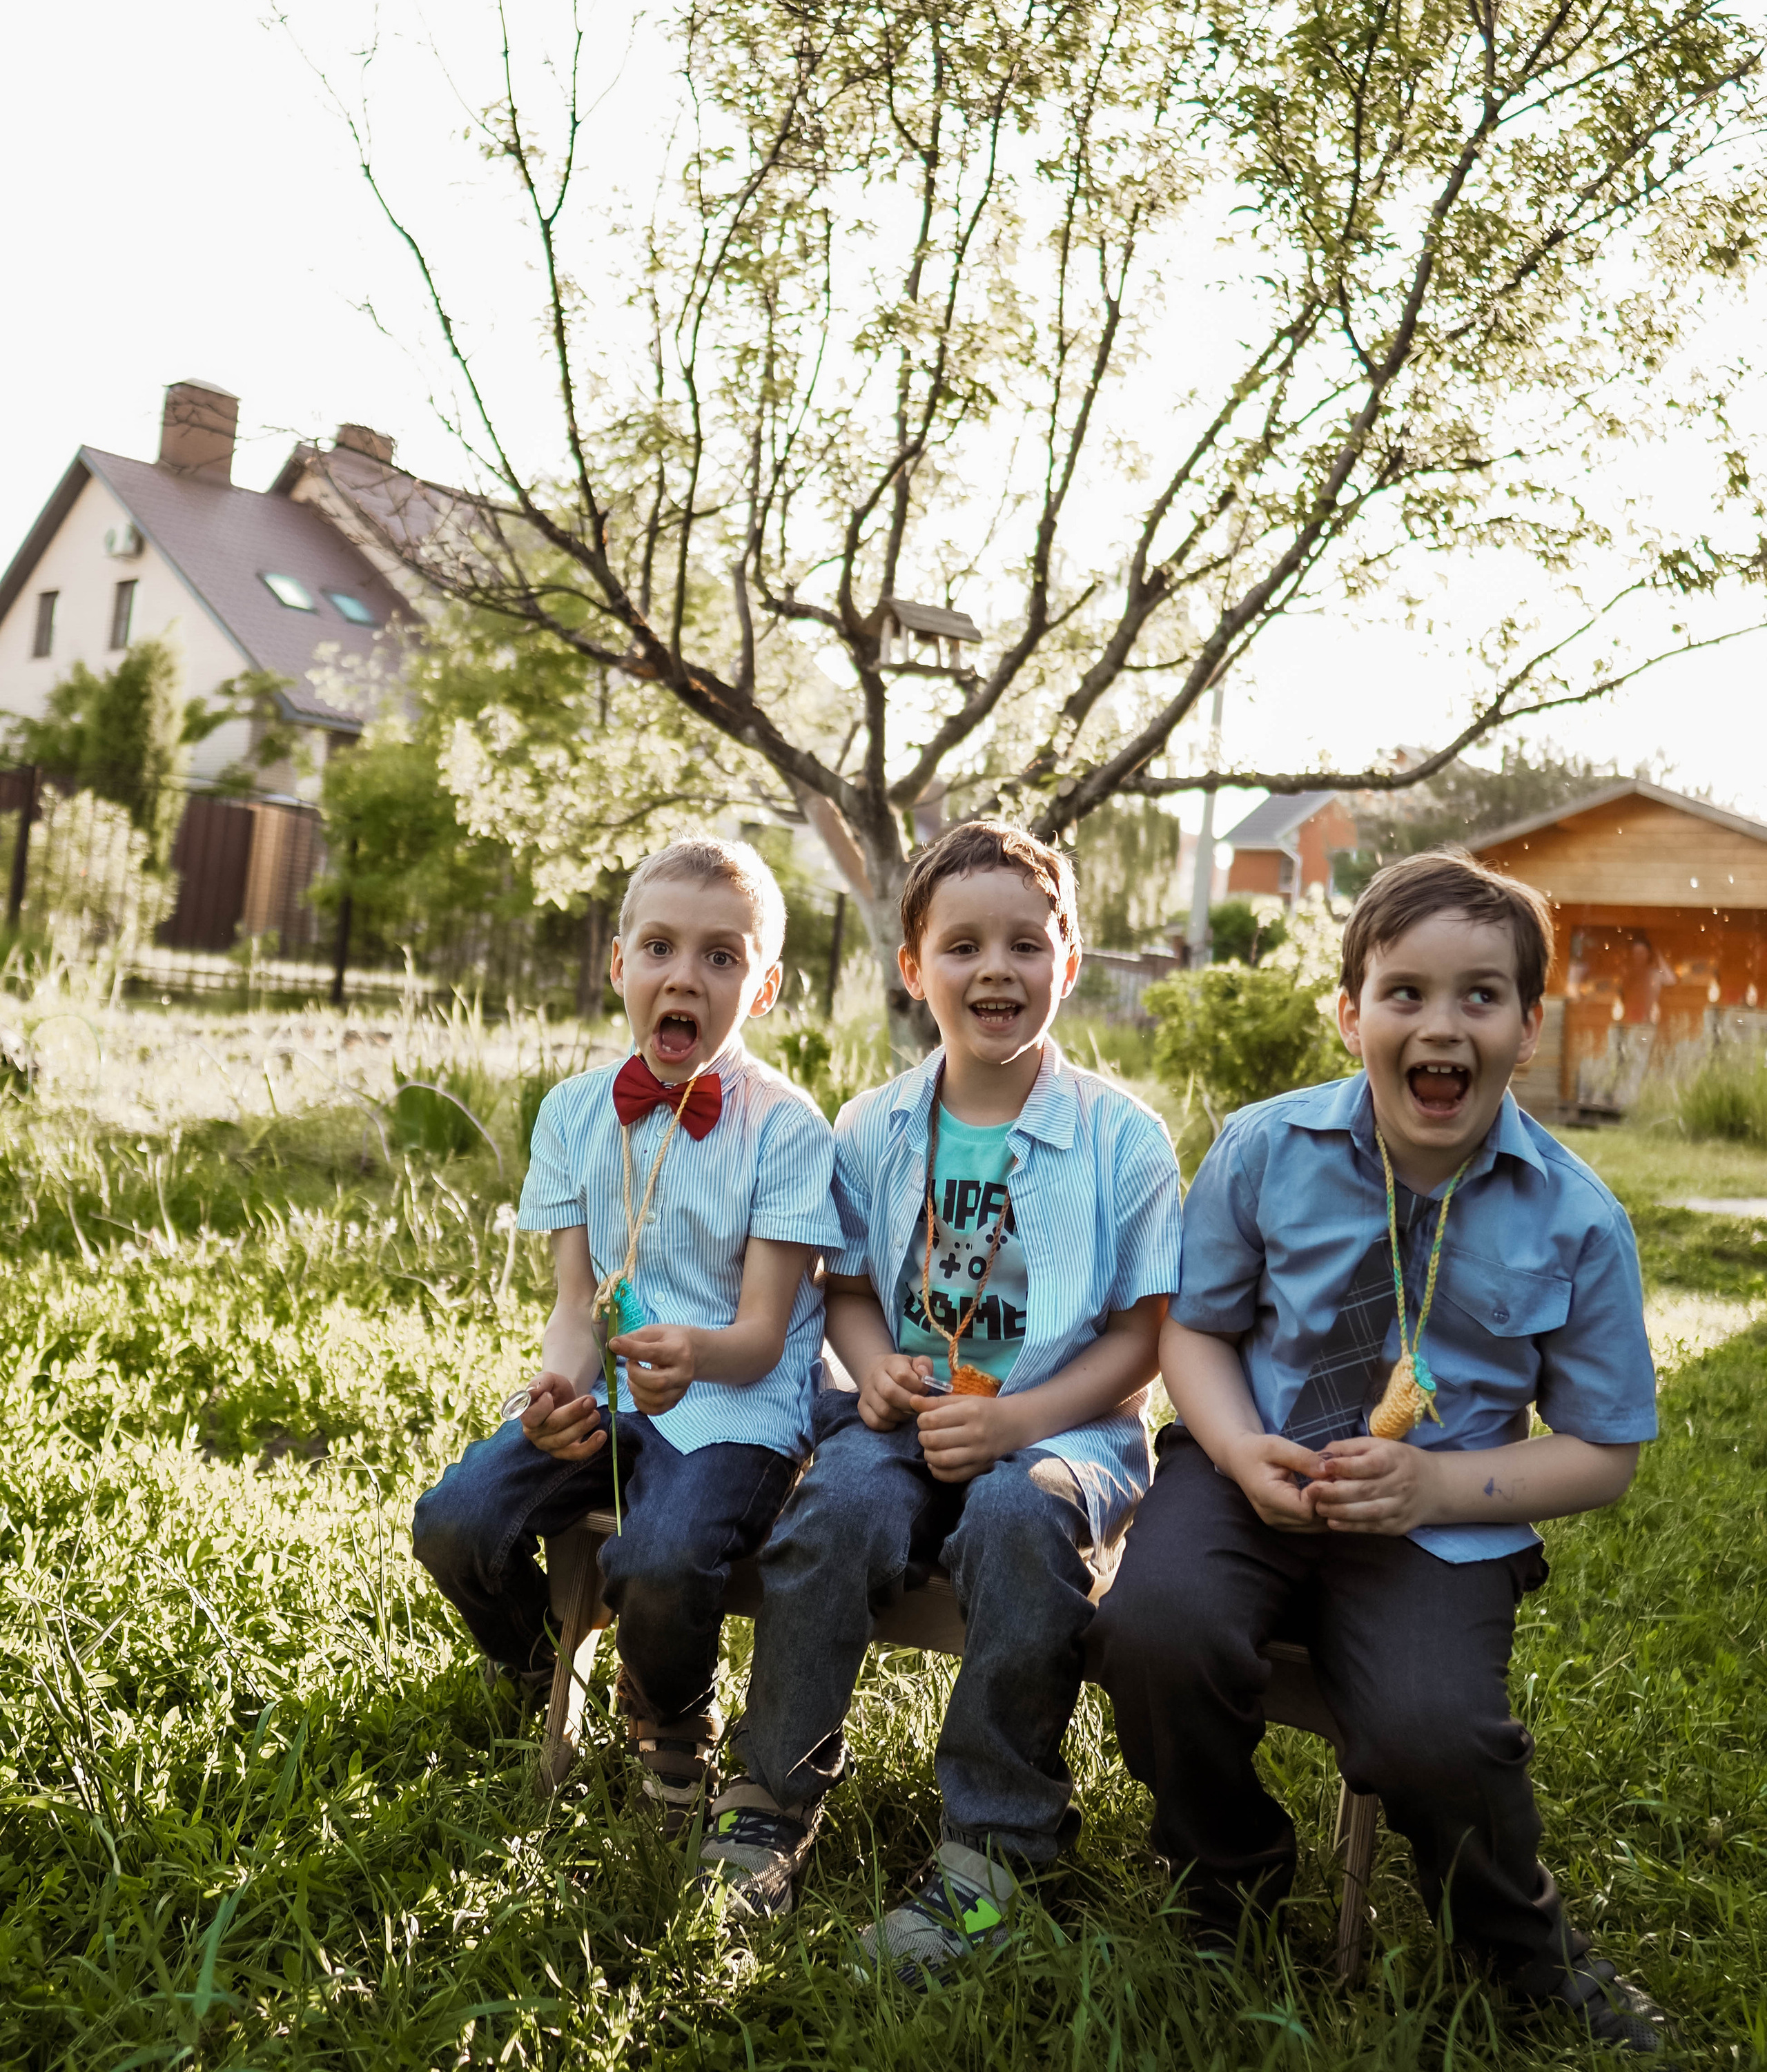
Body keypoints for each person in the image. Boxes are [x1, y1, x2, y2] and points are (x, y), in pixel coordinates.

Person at [1092, 849, 1670, 2056]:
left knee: (1432, 1732)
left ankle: (1521, 1944)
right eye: (1405, 992)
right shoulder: (1263, 1149)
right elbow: (1194, 1327)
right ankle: (1227, 1876)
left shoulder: (1576, 1219)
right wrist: (1242, 1450)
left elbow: (1606, 1450)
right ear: (1350, 1012)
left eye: (1480, 995)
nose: (1440, 1024)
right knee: (1154, 1629)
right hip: (1249, 1470)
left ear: (1526, 1021)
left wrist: (1438, 1485)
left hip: (1435, 1521)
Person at [697, 821, 1182, 1982]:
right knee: (835, 1517)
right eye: (962, 945)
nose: (996, 969)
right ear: (915, 968)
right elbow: (851, 1291)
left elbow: (1145, 1335)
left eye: (1026, 943)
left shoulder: (1122, 1139)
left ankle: (995, 1851)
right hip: (904, 1422)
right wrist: (873, 1369)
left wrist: (1020, 1421)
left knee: (1022, 1524)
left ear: (1068, 962)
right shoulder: (872, 1127)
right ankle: (771, 1788)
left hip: (1065, 1430)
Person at [411, 837, 839, 1832]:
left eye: (721, 957)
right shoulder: (571, 1113)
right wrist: (555, 1393)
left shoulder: (785, 1128)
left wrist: (696, 1358)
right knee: (458, 1518)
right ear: (618, 965)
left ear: (763, 987)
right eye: (659, 948)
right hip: (612, 1399)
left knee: (664, 1551)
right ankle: (535, 1657)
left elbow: (768, 1334)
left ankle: (673, 1713)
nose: (684, 975)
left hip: (738, 1403)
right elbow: (574, 1304)